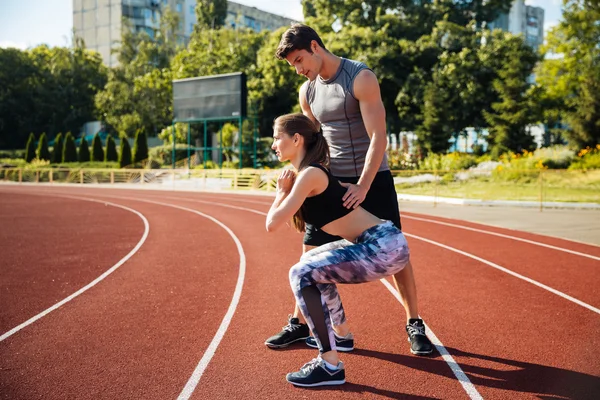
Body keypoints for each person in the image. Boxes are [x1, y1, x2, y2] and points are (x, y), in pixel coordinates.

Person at [264, 24, 433, 356]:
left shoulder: (360, 77)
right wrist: (308, 176)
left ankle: (414, 322)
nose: (299, 70)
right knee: (310, 251)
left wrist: (364, 185)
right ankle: (299, 323)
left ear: (315, 46)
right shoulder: (308, 91)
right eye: (293, 65)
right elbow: (313, 141)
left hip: (372, 179)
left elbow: (378, 137)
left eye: (300, 60)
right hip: (333, 181)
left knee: (395, 250)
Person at [266, 113, 412, 386]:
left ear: (296, 139)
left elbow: (272, 224)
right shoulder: (310, 173)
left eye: (277, 138)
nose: (274, 144)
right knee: (312, 260)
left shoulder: (310, 174)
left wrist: (280, 192)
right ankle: (342, 335)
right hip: (381, 242)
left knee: (300, 273)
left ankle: (330, 364)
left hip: (384, 247)